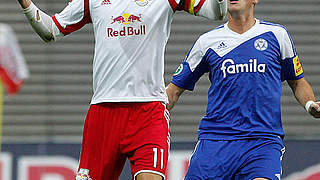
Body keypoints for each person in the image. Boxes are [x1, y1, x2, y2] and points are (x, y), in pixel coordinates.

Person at [16, 0, 228, 179]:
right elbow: (51, 30)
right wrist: (25, 2)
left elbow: (217, 12)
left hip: (149, 112)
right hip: (103, 113)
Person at [166, 0, 320, 179]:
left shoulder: (277, 35)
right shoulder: (207, 42)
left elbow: (297, 81)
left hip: (262, 141)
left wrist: (310, 104)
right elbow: (173, 91)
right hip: (216, 141)